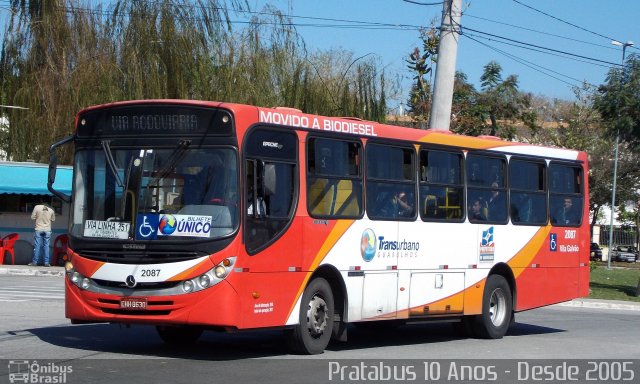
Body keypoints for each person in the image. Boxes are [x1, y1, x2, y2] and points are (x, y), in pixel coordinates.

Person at [29, 199, 56, 267]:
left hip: (38, 228)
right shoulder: (51, 209)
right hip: (47, 229)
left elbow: (32, 217)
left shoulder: (37, 207)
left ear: (41, 201)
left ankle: (35, 262)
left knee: (37, 245)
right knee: (46, 246)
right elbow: (53, 219)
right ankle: (46, 263)